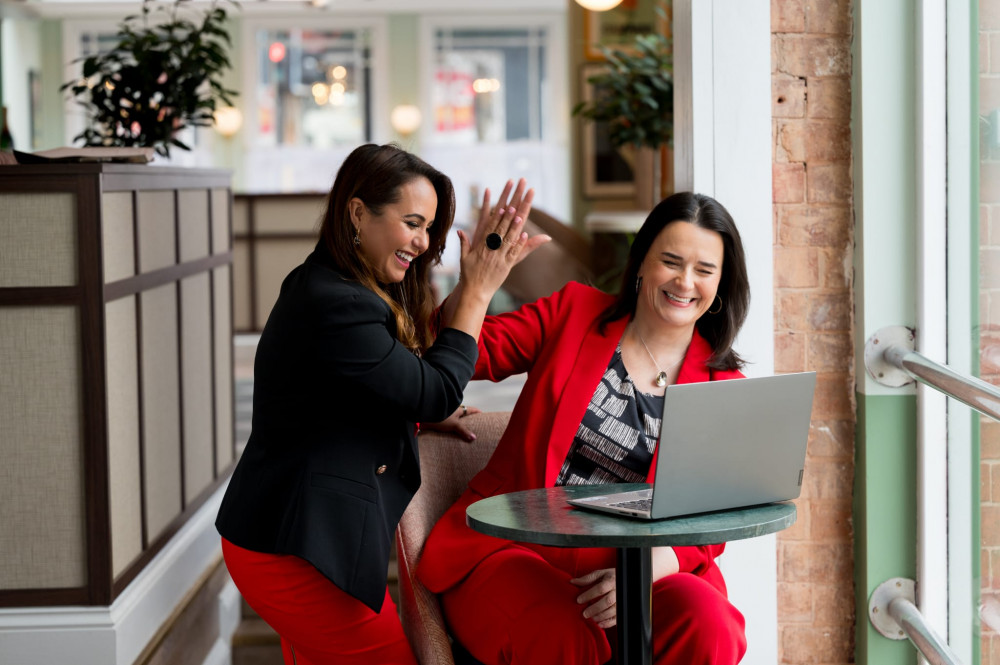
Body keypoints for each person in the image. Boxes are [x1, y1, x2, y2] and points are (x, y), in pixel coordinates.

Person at [215, 143, 548, 665]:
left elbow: (380, 383)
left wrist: (477, 276)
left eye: (430, 228)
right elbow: (436, 386)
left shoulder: (341, 287)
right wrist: (478, 294)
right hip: (293, 548)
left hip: (294, 537)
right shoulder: (336, 302)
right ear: (356, 211)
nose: (421, 241)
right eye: (412, 222)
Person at [418, 191, 752, 665]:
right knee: (560, 632)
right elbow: (467, 356)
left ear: (721, 283)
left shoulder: (724, 385)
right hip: (518, 550)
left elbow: (718, 511)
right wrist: (477, 288)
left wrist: (649, 570)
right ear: (641, 264)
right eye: (671, 261)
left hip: (637, 567)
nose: (684, 281)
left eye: (704, 270)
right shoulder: (574, 312)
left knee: (709, 624)